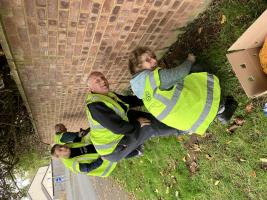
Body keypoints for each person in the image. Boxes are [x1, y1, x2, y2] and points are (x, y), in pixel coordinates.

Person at [128, 47, 237, 135]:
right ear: (139, 67)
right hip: (202, 111)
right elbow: (181, 72)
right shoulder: (153, 79)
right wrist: (190, 59)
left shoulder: (142, 92)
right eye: (148, 60)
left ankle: (216, 112)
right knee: (197, 68)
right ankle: (221, 110)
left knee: (184, 82)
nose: (154, 61)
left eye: (153, 57)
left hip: (191, 123)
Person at [85, 71, 183, 162]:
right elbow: (118, 128)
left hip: (118, 130)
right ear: (91, 89)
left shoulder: (107, 95)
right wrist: (137, 124)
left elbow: (128, 101)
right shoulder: (95, 106)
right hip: (113, 147)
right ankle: (182, 128)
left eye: (102, 77)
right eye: (97, 81)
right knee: (148, 126)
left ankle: (169, 120)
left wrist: (148, 96)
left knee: (142, 117)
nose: (102, 81)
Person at [51, 144, 116, 177]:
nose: (63, 147)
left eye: (60, 146)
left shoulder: (69, 145)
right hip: (106, 162)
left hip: (102, 149)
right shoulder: (71, 164)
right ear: (60, 157)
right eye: (60, 150)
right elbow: (88, 168)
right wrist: (101, 159)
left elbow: (82, 142)